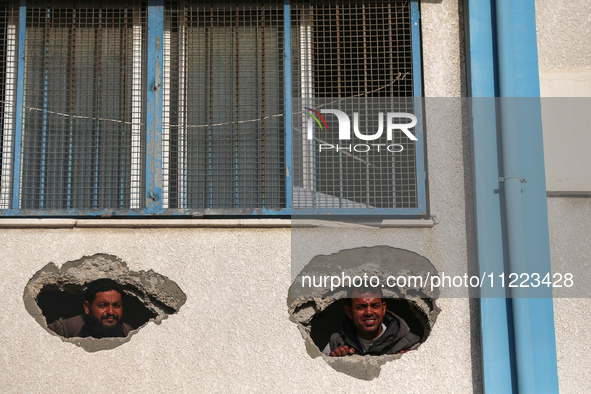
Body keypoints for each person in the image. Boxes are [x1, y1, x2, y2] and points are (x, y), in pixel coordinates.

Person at [322, 286, 420, 356]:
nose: (369, 312)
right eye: (361, 307)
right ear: (349, 312)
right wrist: (333, 363)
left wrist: (409, 363)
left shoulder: (408, 344)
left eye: (375, 306)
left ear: (383, 309)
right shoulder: (336, 343)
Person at [48, 278, 133, 339]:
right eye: (103, 305)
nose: (111, 312)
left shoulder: (129, 334)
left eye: (116, 305)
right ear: (87, 307)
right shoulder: (65, 330)